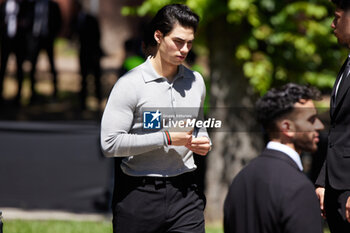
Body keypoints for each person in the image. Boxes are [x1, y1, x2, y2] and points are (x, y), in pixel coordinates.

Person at [100, 4, 211, 233]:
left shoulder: (196, 81)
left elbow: (199, 126)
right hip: (139, 194)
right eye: (178, 41)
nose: (185, 49)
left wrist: (202, 141)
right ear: (158, 36)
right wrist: (166, 138)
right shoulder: (129, 84)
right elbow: (109, 144)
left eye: (190, 43)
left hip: (186, 193)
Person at [224, 83, 324, 233]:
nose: (320, 126)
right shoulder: (299, 187)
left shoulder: (241, 179)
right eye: (311, 120)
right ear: (287, 128)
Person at [315, 1, 350, 232]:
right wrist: (323, 181)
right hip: (336, 188)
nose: (332, 24)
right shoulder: (347, 64)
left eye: (337, 17)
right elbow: (341, 130)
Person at [71, 0, 103, 110]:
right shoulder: (75, 20)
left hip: (93, 53)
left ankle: (98, 101)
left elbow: (97, 36)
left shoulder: (91, 19)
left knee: (96, 78)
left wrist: (96, 52)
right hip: (83, 53)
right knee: (83, 78)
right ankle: (82, 103)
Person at [27, 0, 61, 102]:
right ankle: (32, 92)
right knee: (32, 66)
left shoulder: (53, 6)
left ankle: (55, 91)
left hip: (48, 38)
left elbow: (59, 21)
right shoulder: (32, 4)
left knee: (52, 65)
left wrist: (53, 33)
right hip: (36, 38)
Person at [0, 0, 31, 105]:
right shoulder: (4, 5)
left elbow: (29, 21)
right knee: (3, 68)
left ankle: (18, 96)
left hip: (19, 42)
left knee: (19, 69)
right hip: (6, 41)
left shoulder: (24, 5)